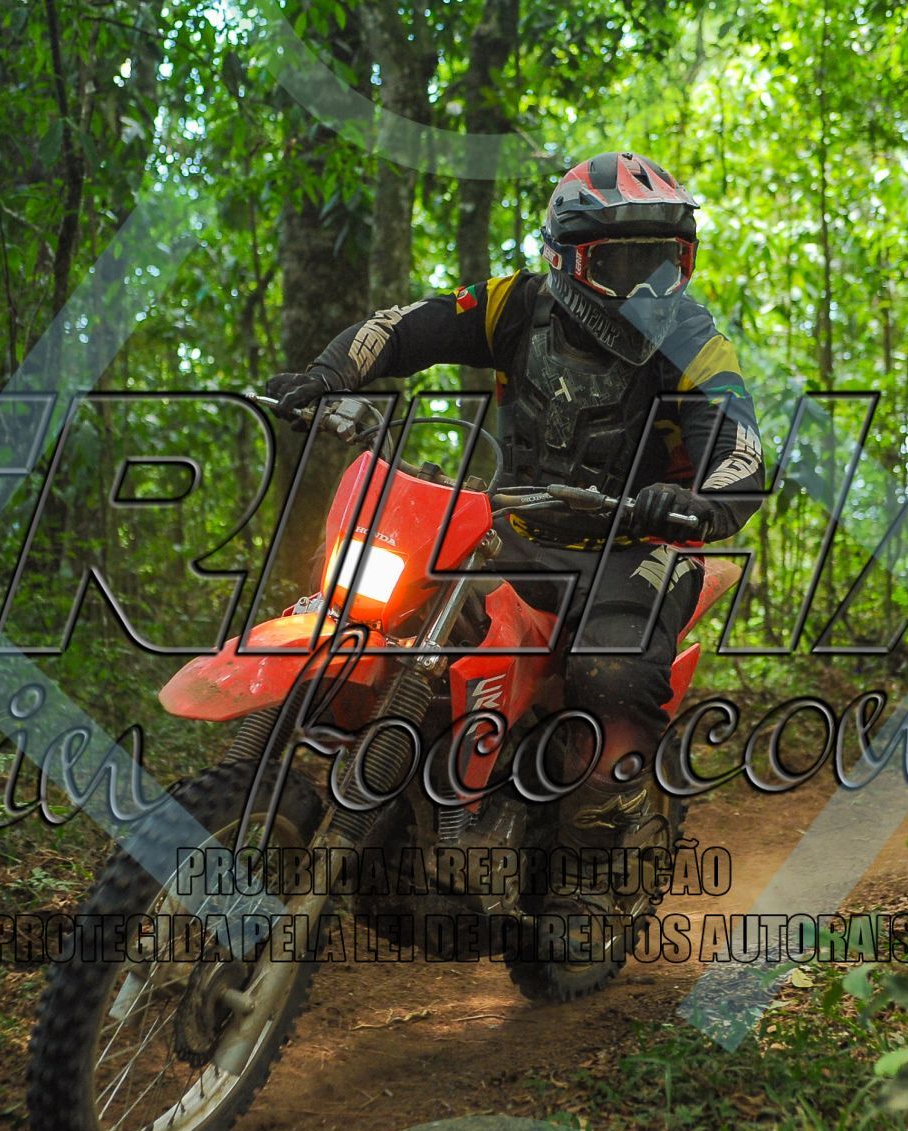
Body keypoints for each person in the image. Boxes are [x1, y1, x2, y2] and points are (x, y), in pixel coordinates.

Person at [268, 151, 765, 847]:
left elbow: (740, 451)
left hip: (635, 547)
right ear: (566, 259)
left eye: (662, 262)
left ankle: (594, 852)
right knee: (384, 613)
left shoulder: (695, 343)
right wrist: (327, 376)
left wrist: (697, 503)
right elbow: (405, 326)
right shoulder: (513, 305)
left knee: (611, 670)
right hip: (513, 529)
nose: (645, 286)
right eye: (621, 264)